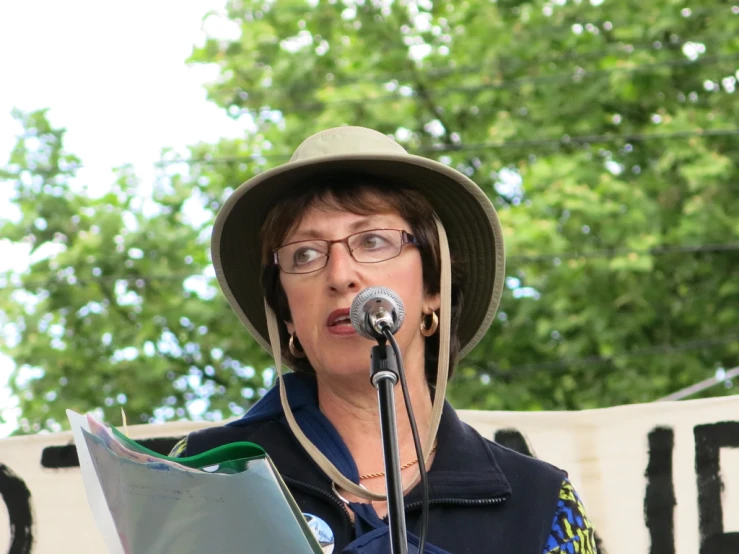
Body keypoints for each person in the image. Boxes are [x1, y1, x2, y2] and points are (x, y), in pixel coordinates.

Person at [170, 126, 598, 553]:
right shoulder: (206, 473)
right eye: (305, 253)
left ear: (434, 289)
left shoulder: (539, 504)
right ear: (287, 315)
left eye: (373, 241)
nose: (339, 275)